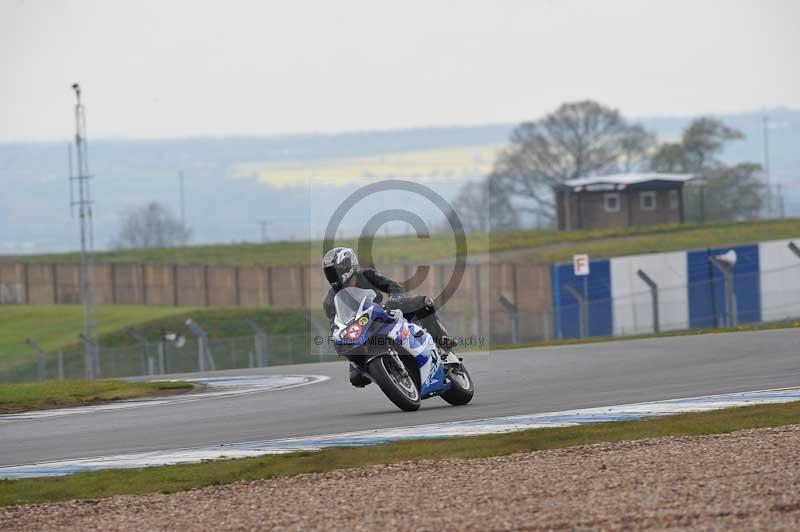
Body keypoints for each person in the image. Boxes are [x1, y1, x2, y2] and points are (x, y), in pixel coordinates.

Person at [322, 247, 456, 387]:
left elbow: (393, 286)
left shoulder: (367, 275)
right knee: (356, 378)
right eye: (329, 272)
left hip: (384, 310)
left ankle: (441, 339)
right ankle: (391, 374)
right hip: (361, 329)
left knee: (424, 304)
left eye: (334, 270)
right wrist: (340, 338)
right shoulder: (330, 301)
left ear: (348, 265)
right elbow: (336, 325)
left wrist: (394, 298)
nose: (332, 275)